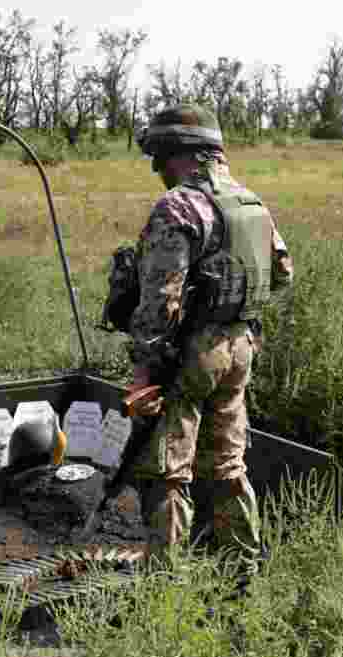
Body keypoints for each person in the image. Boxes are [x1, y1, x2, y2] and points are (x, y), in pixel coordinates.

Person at [128, 104, 294, 583]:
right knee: (227, 464)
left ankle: (165, 583)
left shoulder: (179, 206)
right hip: (241, 346)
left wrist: (144, 369)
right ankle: (243, 573)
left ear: (177, 154)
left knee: (166, 469)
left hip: (192, 354)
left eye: (159, 156)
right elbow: (282, 276)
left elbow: (160, 301)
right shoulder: (250, 202)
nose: (157, 169)